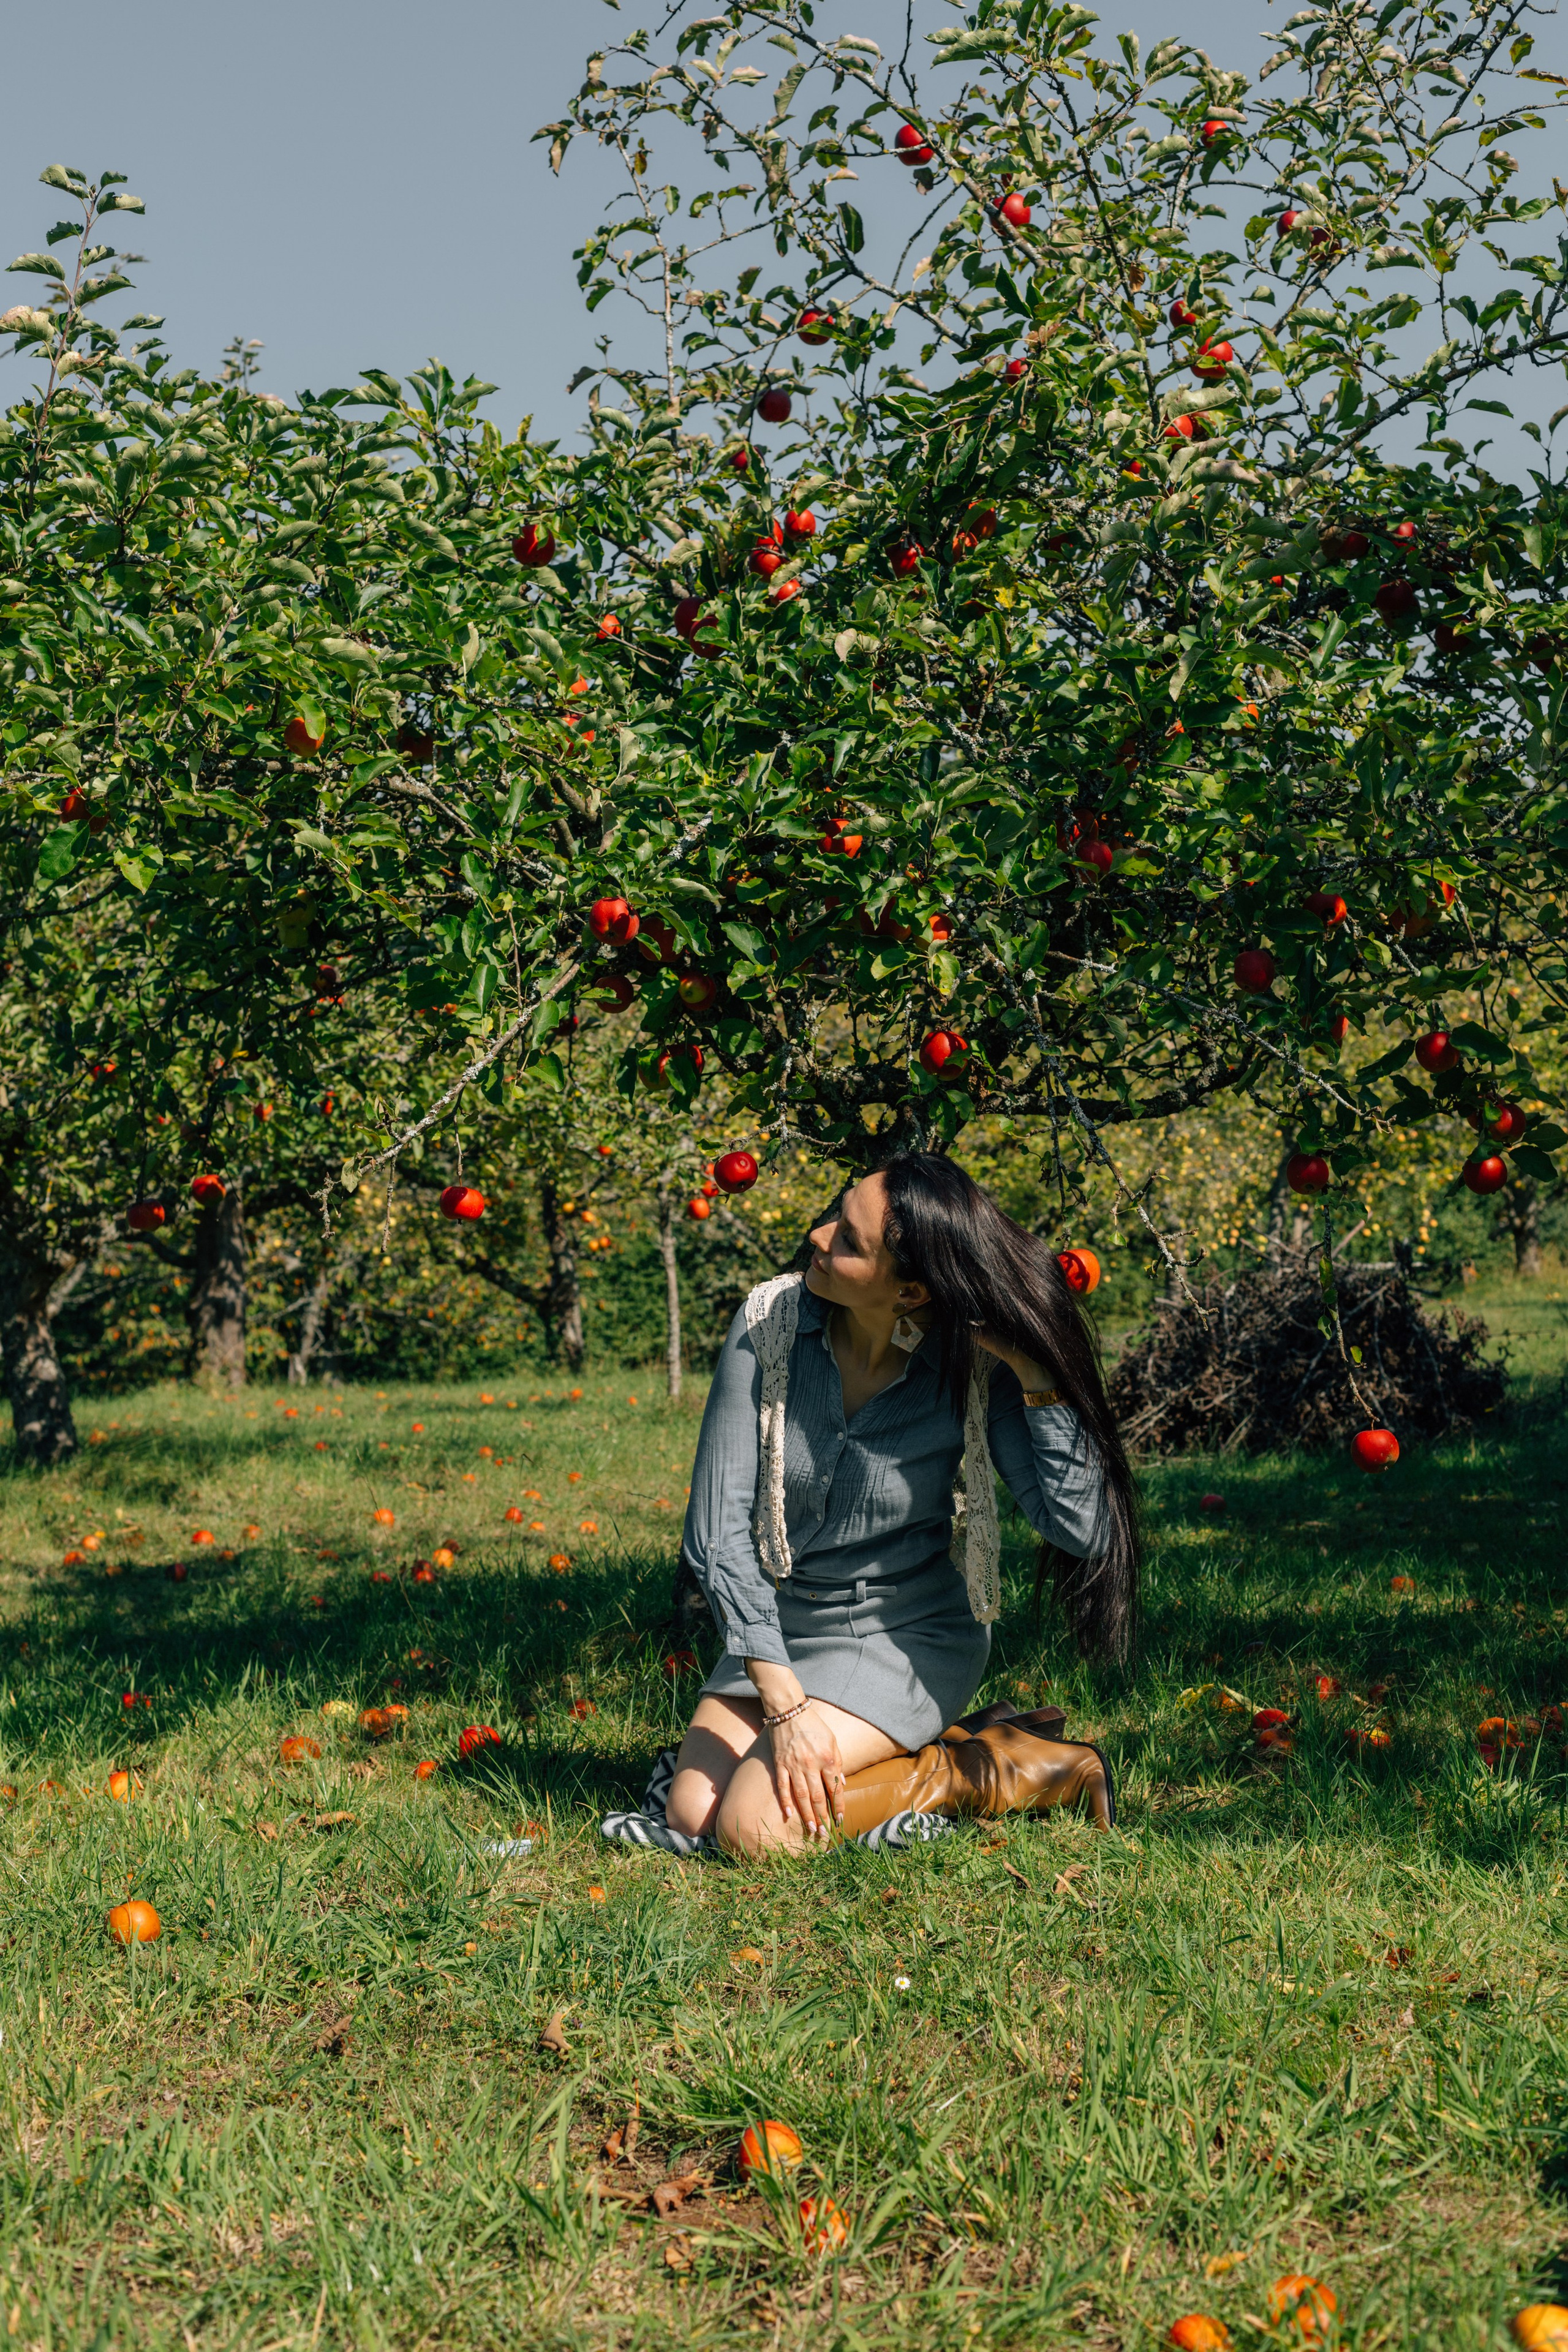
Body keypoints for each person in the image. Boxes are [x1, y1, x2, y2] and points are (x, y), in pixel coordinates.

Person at [665, 1152, 1139, 1853]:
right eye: (837, 1217)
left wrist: (1036, 1374)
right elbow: (718, 1536)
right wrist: (784, 1703)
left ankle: (984, 1768)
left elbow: (1082, 1531)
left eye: (848, 1241)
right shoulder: (769, 1324)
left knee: (752, 1830)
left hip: (901, 1634)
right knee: (690, 1814)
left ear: (911, 1291)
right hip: (783, 1625)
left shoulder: (971, 1368)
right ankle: (933, 1742)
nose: (818, 1237)